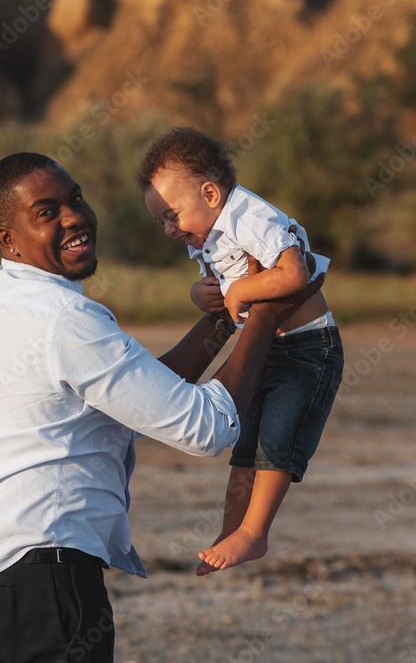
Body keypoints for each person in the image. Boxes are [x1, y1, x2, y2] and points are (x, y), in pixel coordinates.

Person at [0, 152, 324, 662]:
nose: (73, 217)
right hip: (40, 560)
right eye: (47, 212)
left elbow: (143, 397)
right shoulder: (62, 319)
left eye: (75, 199)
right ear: (8, 239)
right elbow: (207, 428)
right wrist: (265, 316)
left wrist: (227, 316)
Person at [138, 126, 345, 576]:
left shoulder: (248, 216)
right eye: (161, 223)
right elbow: (220, 288)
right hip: (266, 347)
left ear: (210, 194)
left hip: (307, 348)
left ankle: (255, 532)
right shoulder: (207, 232)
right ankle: (232, 530)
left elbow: (295, 273)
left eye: (172, 216)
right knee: (245, 446)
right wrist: (201, 293)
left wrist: (244, 289)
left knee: (276, 444)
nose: (169, 230)